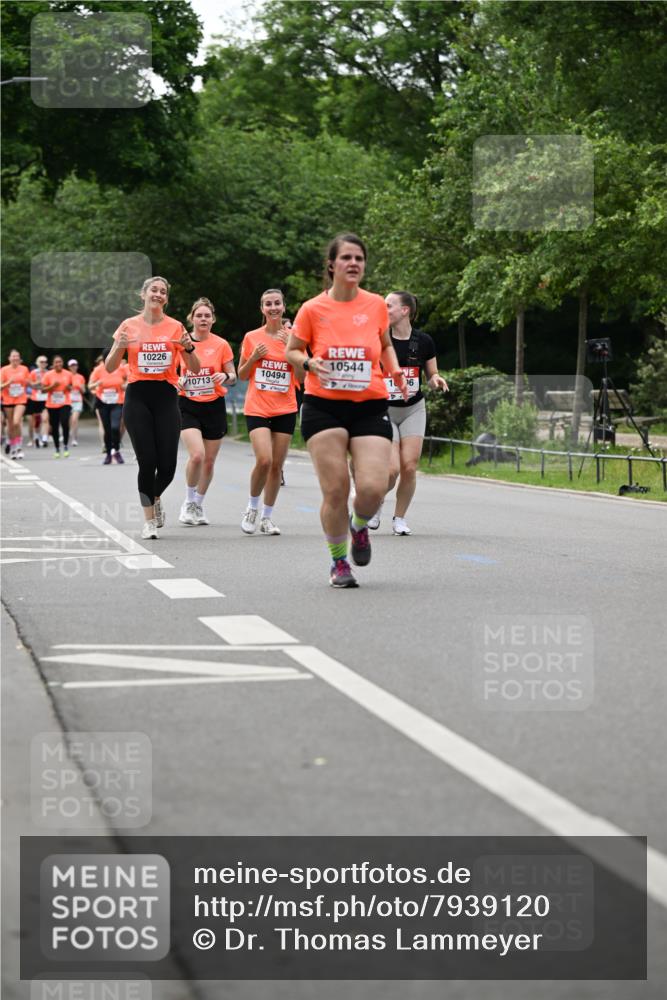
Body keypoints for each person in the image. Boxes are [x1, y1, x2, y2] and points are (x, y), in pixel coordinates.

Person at [286, 233, 408, 588]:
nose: (354, 263)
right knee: (336, 490)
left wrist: (395, 369)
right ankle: (339, 563)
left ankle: (358, 527)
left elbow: (385, 345)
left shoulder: (374, 306)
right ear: (332, 265)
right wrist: (308, 363)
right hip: (323, 406)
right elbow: (292, 350)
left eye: (359, 258)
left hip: (369, 403)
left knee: (374, 485)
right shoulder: (312, 309)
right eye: (347, 258)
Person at [104, 276, 200, 539]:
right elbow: (111, 367)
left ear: (166, 298)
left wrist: (189, 347)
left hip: (166, 395)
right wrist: (120, 346)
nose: (158, 294)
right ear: (143, 294)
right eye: (153, 290)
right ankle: (148, 520)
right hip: (138, 396)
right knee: (147, 461)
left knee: (167, 466)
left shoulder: (175, 327)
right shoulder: (128, 325)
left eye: (162, 291)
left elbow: (195, 368)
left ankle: (155, 496)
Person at [369, 290, 449, 535]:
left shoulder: (424, 341)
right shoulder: (378, 338)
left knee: (410, 467)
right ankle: (375, 504)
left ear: (405, 311)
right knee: (391, 469)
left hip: (414, 408)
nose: (384, 309)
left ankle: (399, 519)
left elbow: (432, 372)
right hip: (385, 410)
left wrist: (436, 380)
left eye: (389, 305)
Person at [237, 289, 298, 536]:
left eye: (277, 303)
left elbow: (304, 377)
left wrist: (290, 350)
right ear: (262, 309)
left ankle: (267, 517)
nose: (273, 307)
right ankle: (252, 508)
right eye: (268, 304)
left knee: (276, 466)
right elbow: (242, 375)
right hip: (258, 407)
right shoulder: (252, 337)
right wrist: (252, 358)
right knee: (265, 460)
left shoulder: (295, 337)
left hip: (285, 408)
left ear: (284, 307)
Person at [177, 297, 236, 526]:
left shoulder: (221, 344)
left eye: (207, 316)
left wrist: (225, 376)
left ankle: (198, 504)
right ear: (191, 318)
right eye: (199, 315)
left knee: (209, 462)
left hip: (214, 406)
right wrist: (178, 380)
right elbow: (171, 371)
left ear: (213, 320)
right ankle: (189, 501)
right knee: (197, 455)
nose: (203, 319)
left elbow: (232, 375)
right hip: (188, 404)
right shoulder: (182, 342)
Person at [89, 355, 128, 464]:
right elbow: (90, 386)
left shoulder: (121, 368)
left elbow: (130, 379)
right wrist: (97, 384)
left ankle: (116, 450)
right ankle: (108, 454)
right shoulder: (98, 370)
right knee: (107, 430)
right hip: (103, 403)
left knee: (115, 427)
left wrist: (125, 385)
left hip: (117, 402)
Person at [0, 349, 30, 458]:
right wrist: (9, 382)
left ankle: (19, 447)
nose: (15, 358)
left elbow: (28, 383)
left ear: (19, 358)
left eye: (17, 356)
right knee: (11, 425)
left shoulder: (24, 369)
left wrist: (35, 385)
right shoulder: (4, 370)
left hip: (21, 399)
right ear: (9, 358)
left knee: (17, 422)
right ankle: (13, 447)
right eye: (13, 356)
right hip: (8, 400)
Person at [41, 355, 74, 456]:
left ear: (62, 363)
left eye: (60, 362)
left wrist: (69, 387)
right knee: (54, 426)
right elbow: (43, 390)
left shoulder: (68, 374)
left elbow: (71, 387)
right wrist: (52, 386)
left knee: (65, 422)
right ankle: (57, 448)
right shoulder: (48, 375)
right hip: (52, 404)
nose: (58, 364)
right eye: (56, 362)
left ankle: (65, 445)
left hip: (65, 403)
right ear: (53, 364)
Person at [26, 355, 50, 447]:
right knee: (36, 421)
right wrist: (38, 383)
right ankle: (36, 436)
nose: (43, 364)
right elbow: (30, 385)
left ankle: (44, 438)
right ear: (37, 363)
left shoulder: (49, 373)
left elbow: (50, 386)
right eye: (41, 362)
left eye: (45, 362)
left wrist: (45, 386)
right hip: (35, 399)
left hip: (46, 399)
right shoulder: (33, 373)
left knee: (45, 419)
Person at [67, 359, 86, 446]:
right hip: (68, 401)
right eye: (72, 366)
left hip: (78, 401)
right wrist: (69, 388)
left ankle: (74, 438)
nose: (74, 367)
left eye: (75, 365)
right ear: (69, 367)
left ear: (77, 366)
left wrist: (80, 388)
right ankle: (69, 433)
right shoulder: (66, 376)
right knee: (69, 420)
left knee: (74, 419)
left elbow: (84, 391)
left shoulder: (80, 377)